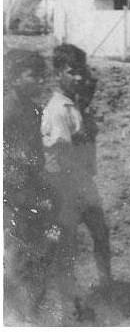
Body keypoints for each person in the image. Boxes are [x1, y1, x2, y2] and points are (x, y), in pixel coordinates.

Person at [3, 49, 72, 324]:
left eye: (42, 75)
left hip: (32, 185)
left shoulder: (32, 109)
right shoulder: (7, 110)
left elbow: (35, 152)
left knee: (48, 240)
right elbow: (11, 157)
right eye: (33, 75)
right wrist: (25, 192)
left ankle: (31, 306)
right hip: (14, 190)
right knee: (17, 247)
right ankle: (14, 311)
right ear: (15, 77)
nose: (40, 81)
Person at [41, 44, 112, 290]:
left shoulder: (74, 105)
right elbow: (62, 155)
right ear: (58, 73)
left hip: (83, 183)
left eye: (81, 71)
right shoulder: (58, 110)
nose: (79, 78)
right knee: (66, 243)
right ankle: (65, 295)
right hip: (67, 185)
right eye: (72, 72)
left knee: (101, 233)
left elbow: (89, 86)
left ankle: (106, 285)